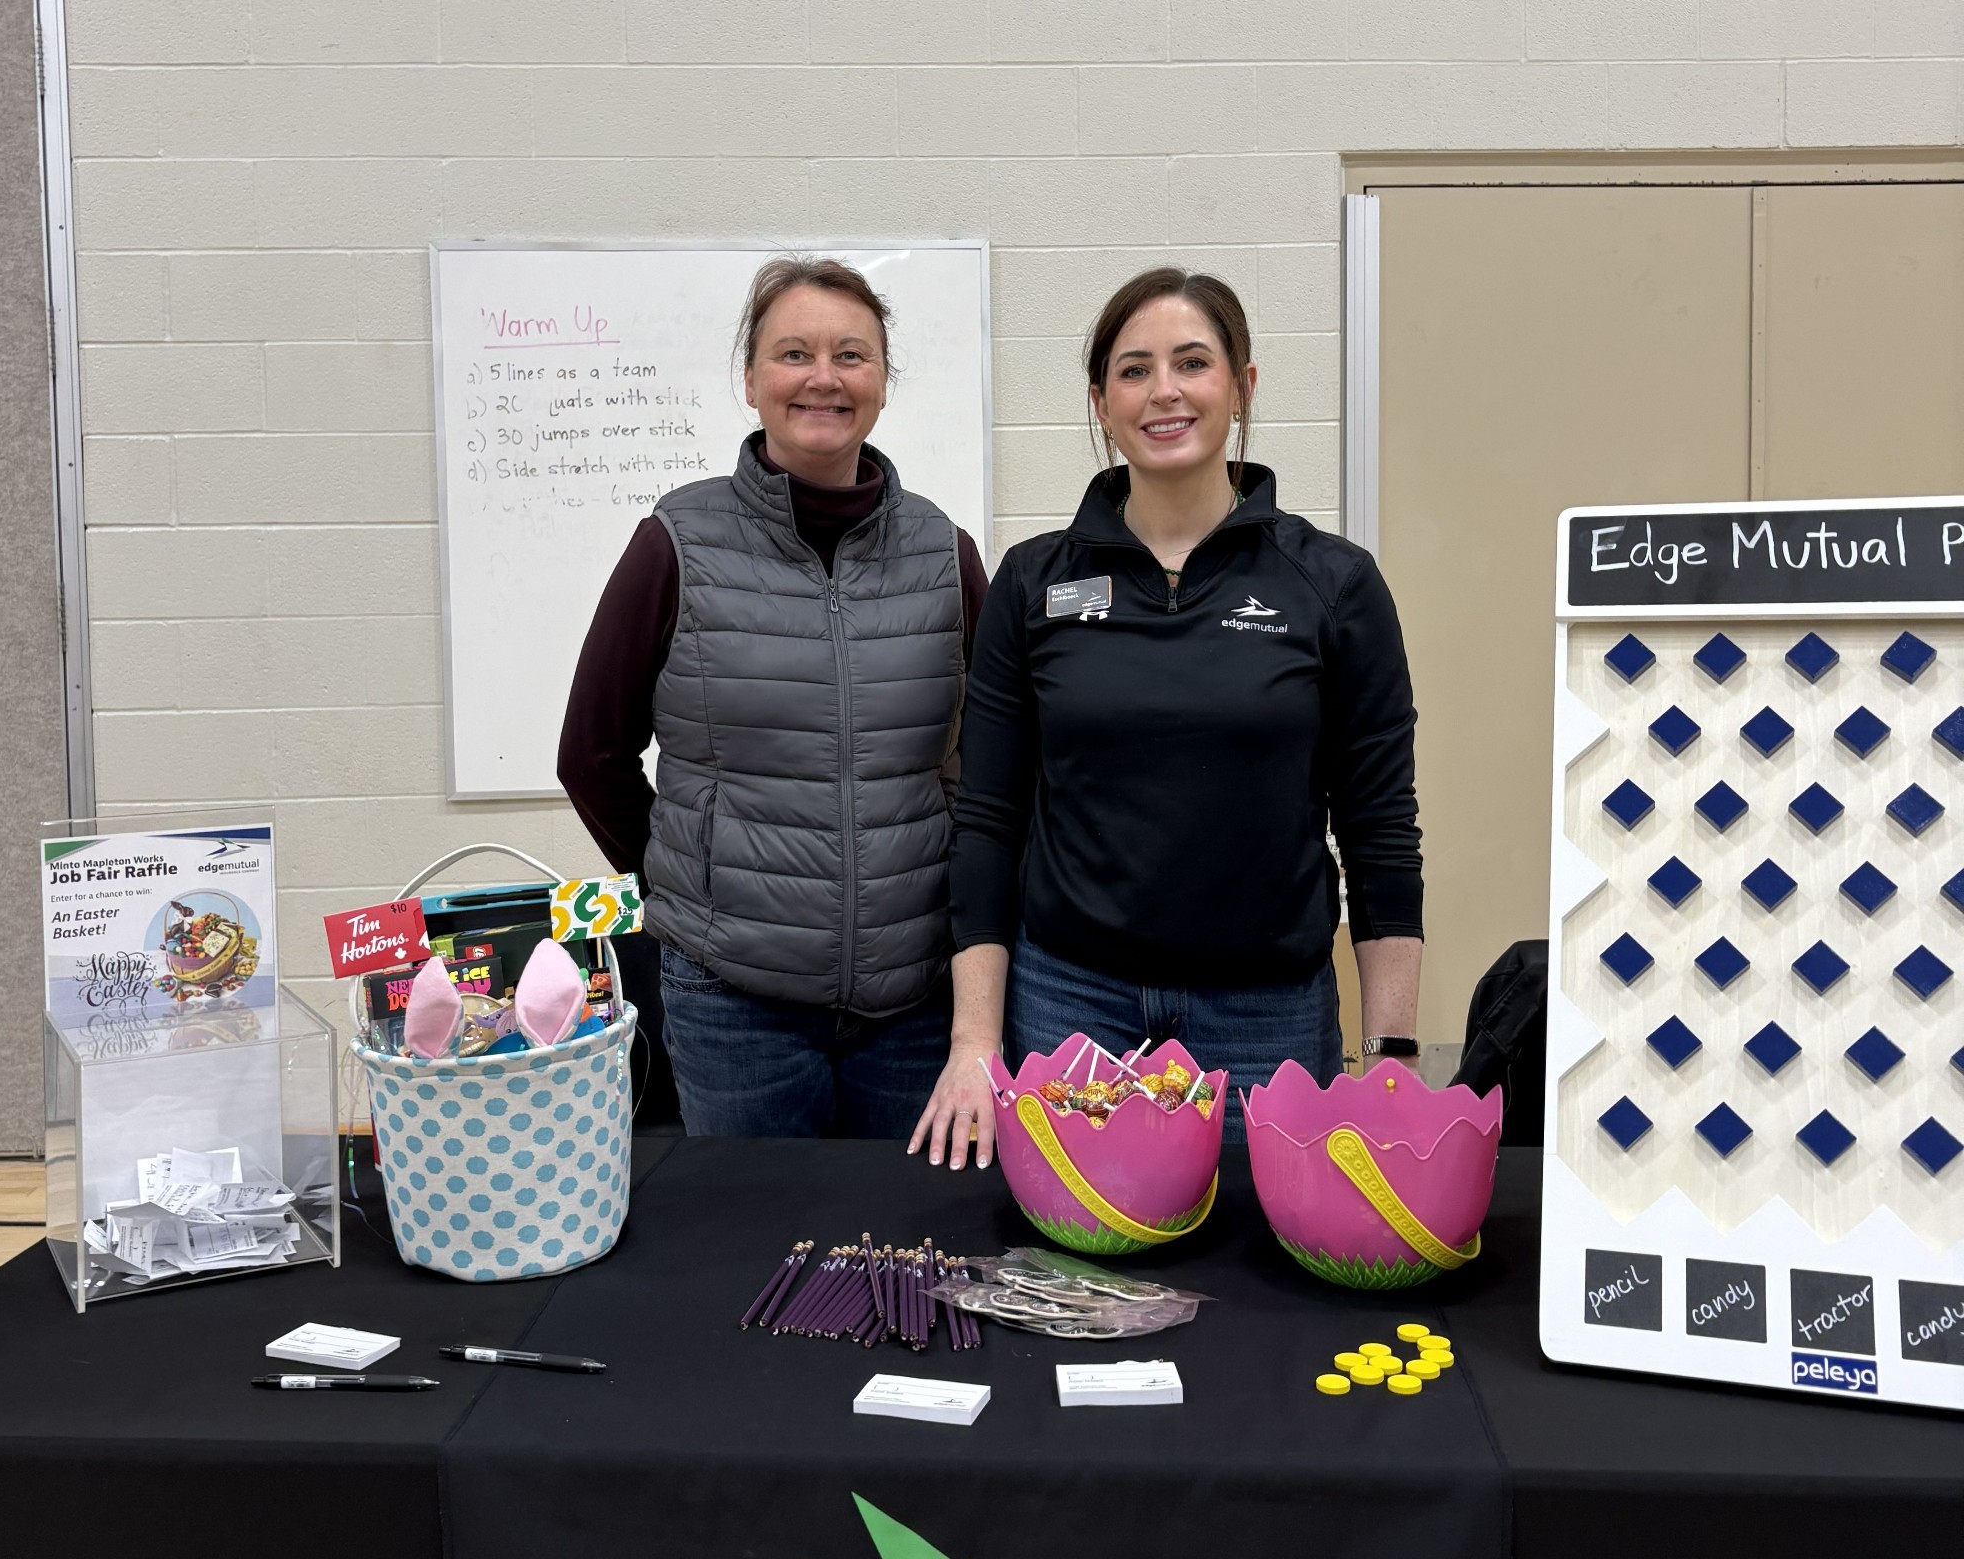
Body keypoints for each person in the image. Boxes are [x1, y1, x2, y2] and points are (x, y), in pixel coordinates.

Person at [910, 265, 1422, 1171]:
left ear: (1243, 386)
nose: (1165, 392)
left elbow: (1380, 836)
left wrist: (1393, 1057)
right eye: (1134, 370)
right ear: (1102, 403)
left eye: (1193, 363)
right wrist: (973, 1043)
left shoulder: (1333, 585)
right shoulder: (1032, 583)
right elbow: (987, 823)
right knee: (1078, 1269)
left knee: (1262, 1286)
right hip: (1071, 1009)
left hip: (1266, 1016)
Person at [559, 256, 987, 1138]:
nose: (823, 377)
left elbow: (993, 765)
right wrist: (690, 887)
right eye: (794, 353)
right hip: (733, 1005)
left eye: (851, 356)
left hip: (914, 1003)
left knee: (904, 1253)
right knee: (756, 1258)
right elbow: (592, 754)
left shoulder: (945, 553)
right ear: (752, 380)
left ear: (881, 383)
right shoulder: (676, 541)